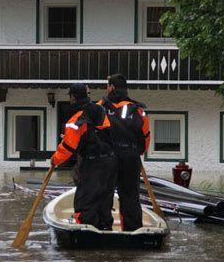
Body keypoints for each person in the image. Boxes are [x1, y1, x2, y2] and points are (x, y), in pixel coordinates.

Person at [52, 83, 117, 230]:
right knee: (104, 199)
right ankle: (105, 228)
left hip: (93, 164)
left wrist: (55, 160)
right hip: (110, 162)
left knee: (85, 201)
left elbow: (68, 147)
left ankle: (86, 231)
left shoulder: (76, 120)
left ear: (73, 97)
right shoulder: (100, 111)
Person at [97, 74, 150, 231]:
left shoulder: (100, 107)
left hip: (108, 156)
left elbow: (93, 133)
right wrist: (136, 152)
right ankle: (133, 230)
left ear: (112, 87)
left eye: (107, 86)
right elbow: (145, 136)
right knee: (130, 196)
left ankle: (103, 228)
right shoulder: (138, 110)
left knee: (104, 193)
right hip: (130, 156)